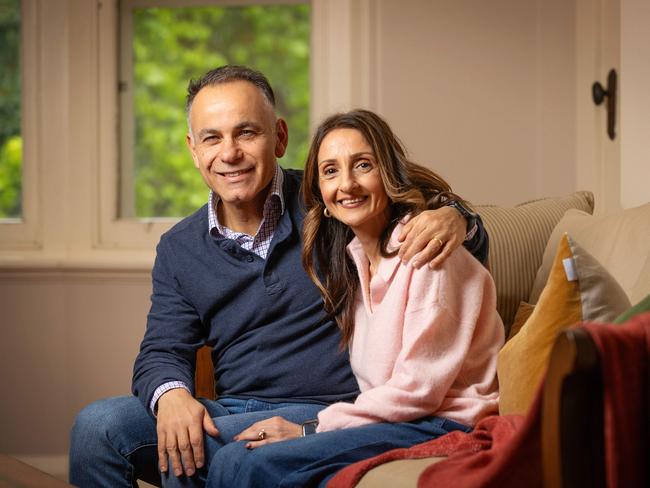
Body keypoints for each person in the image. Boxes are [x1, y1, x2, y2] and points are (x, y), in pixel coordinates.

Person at [69, 66, 489, 488]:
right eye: (212, 138)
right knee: (98, 427)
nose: (229, 153)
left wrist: (457, 217)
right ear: (193, 149)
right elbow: (161, 349)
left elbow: (405, 199)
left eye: (247, 132)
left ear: (281, 138)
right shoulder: (180, 247)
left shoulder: (328, 200)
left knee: (198, 453)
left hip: (323, 405)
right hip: (231, 406)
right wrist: (172, 396)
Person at [203, 109, 504, 488]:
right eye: (330, 171)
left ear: (388, 175)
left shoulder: (428, 254)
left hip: (440, 424)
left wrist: (312, 429)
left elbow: (418, 391)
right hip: (396, 420)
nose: (347, 184)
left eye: (363, 165)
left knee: (245, 464)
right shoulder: (354, 264)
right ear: (323, 200)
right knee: (236, 457)